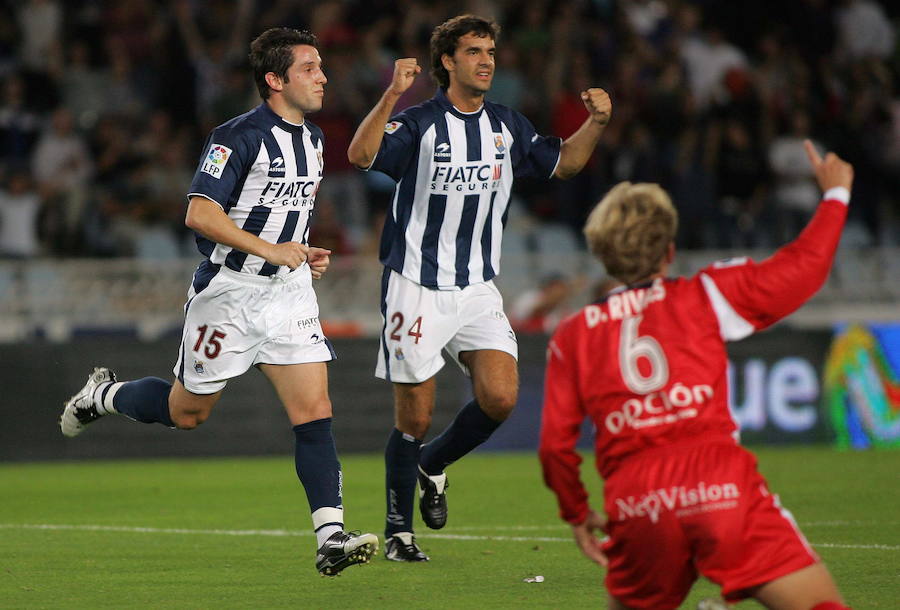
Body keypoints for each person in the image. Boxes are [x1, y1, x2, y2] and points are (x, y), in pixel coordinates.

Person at [59, 27, 378, 577]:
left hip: (287, 294)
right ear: (275, 80)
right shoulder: (237, 136)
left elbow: (281, 217)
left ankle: (330, 537)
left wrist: (299, 253)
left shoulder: (316, 140)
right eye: (309, 67)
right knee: (188, 413)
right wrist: (270, 250)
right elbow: (200, 213)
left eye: (321, 66)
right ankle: (103, 394)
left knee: (315, 413)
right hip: (228, 295)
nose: (323, 76)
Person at [539, 140, 853, 610]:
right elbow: (803, 268)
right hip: (720, 484)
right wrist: (835, 196)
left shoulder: (572, 334)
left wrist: (577, 512)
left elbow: (554, 447)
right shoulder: (705, 294)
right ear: (669, 251)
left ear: (603, 256)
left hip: (637, 501)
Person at [347, 14, 611, 562]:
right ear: (447, 61)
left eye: (490, 51)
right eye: (473, 51)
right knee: (414, 417)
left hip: (476, 286)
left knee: (501, 396)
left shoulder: (508, 125)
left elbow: (564, 163)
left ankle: (433, 465)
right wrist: (391, 96)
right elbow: (360, 156)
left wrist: (598, 123)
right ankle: (400, 534)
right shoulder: (419, 123)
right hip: (414, 284)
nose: (487, 60)